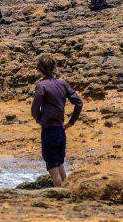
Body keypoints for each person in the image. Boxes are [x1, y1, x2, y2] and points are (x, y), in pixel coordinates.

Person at [30, 54, 83, 187]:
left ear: (39, 69)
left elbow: (34, 109)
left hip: (48, 130)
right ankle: (66, 194)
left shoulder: (42, 86)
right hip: (60, 130)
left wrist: (39, 119)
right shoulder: (62, 83)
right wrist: (71, 122)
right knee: (59, 163)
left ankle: (60, 196)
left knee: (53, 166)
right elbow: (79, 103)